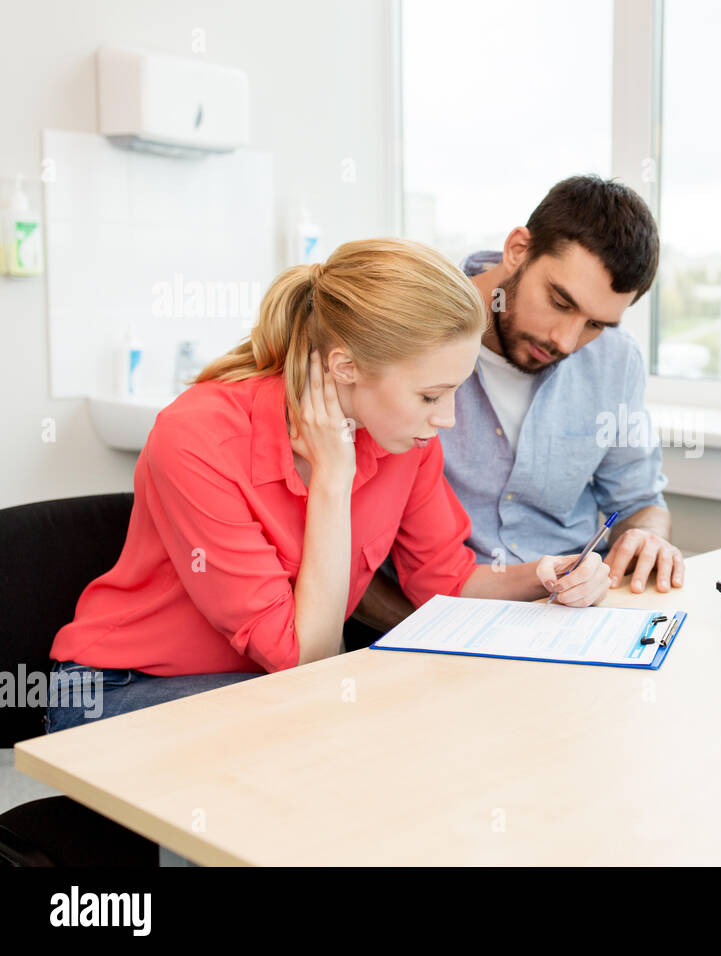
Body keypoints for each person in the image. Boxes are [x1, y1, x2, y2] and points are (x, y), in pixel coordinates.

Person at [46, 239, 610, 732]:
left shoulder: (401, 437)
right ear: (344, 367)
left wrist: (542, 575)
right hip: (117, 691)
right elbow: (304, 659)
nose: (448, 419)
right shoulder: (197, 439)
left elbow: (446, 581)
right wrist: (333, 480)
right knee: (341, 730)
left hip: (269, 690)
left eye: (455, 391)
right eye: (430, 395)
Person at [354, 176, 683, 633]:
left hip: (568, 623)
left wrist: (647, 537)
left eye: (596, 324)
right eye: (559, 301)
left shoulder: (616, 359)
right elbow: (335, 548)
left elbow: (640, 500)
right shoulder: (410, 325)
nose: (566, 340)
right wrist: (433, 634)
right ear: (518, 249)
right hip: (422, 623)